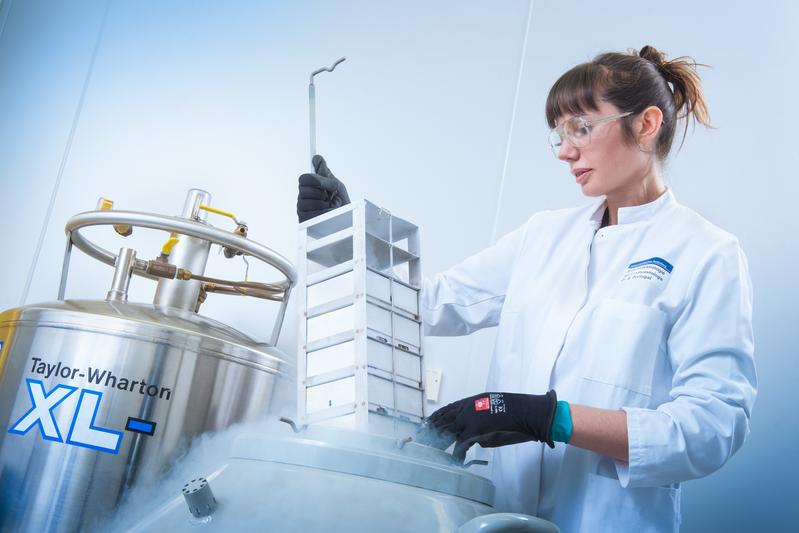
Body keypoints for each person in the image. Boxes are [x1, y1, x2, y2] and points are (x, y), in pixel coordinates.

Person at [296, 45, 756, 533]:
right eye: (559, 134)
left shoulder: (706, 253)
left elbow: (713, 427)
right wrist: (343, 234)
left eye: (581, 128)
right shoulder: (544, 236)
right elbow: (425, 305)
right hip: (501, 517)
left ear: (646, 124)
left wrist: (551, 418)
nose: (565, 151)